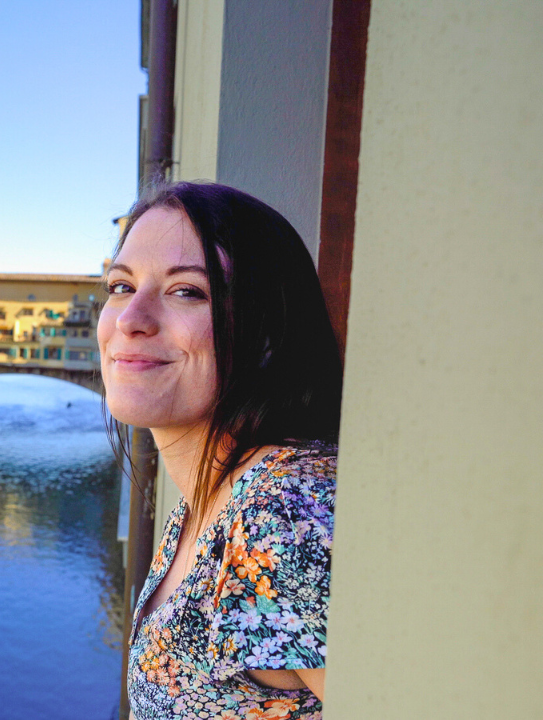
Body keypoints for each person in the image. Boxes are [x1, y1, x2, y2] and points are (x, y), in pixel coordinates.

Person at [100, 182, 342, 719]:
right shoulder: (212, 502)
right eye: (121, 285)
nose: (129, 318)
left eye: (187, 291)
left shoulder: (284, 513)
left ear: (268, 332)